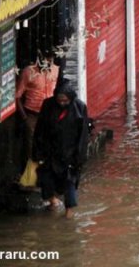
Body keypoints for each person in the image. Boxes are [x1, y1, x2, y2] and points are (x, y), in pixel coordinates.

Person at [32, 80, 90, 219]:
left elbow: (83, 134)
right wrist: (38, 152)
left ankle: (69, 211)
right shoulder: (48, 105)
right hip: (50, 150)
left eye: (65, 100)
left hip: (69, 151)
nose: (62, 103)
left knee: (69, 180)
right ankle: (52, 201)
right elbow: (40, 129)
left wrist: (79, 156)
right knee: (46, 178)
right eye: (59, 100)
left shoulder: (79, 107)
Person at [15, 50, 59, 160]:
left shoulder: (55, 70)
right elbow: (17, 96)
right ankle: (30, 171)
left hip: (50, 114)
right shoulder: (28, 72)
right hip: (32, 114)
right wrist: (25, 118)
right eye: (45, 58)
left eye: (50, 59)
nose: (47, 61)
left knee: (49, 141)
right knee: (31, 145)